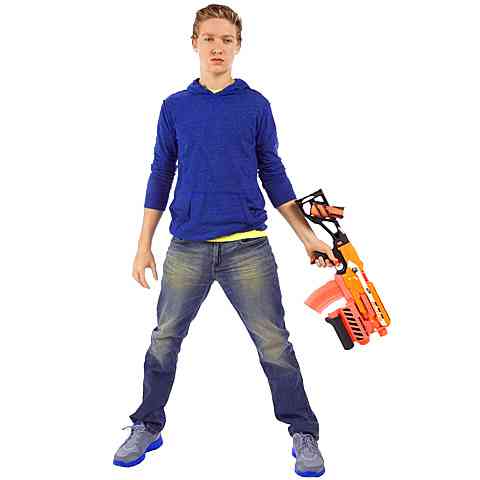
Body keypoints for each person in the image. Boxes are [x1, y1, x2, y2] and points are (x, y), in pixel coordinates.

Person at [113, 4, 335, 477]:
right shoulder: (175, 107)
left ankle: (303, 433)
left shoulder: (255, 106)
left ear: (238, 46)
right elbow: (160, 173)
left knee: (274, 343)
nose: (218, 47)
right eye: (209, 38)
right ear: (195, 43)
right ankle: (147, 425)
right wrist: (143, 244)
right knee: (165, 338)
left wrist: (306, 236)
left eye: (227, 40)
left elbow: (272, 171)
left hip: (247, 247)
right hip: (187, 247)